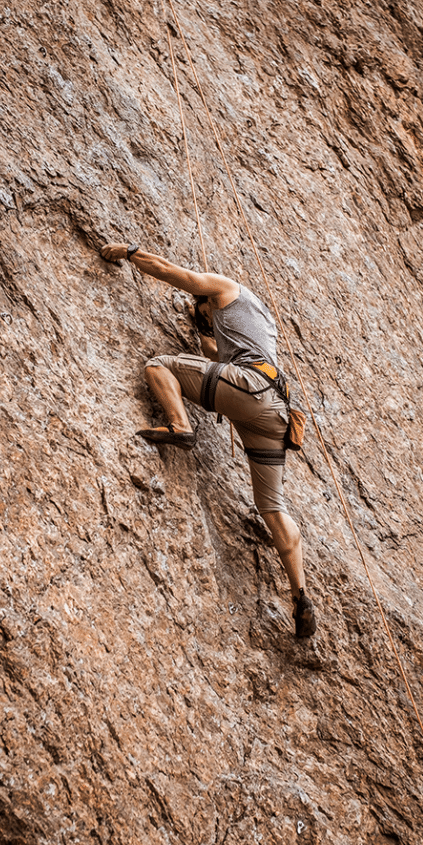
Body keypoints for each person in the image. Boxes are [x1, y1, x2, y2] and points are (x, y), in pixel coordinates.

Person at [100, 242, 316, 639]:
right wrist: (203, 330)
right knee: (271, 505)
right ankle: (300, 593)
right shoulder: (255, 321)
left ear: (206, 301)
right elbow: (212, 355)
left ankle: (180, 426)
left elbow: (168, 271)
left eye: (200, 312)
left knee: (159, 365)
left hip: (251, 388)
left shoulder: (224, 288)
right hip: (274, 413)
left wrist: (130, 253)